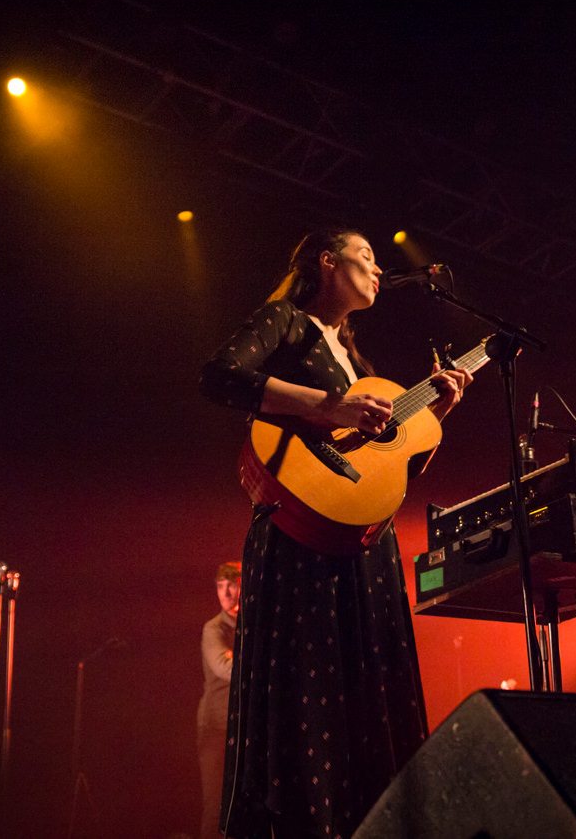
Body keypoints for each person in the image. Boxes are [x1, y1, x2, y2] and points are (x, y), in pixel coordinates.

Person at [198, 228, 473, 838]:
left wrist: (438, 413)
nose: (379, 269)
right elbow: (219, 377)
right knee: (309, 696)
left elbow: (383, 466)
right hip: (299, 539)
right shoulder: (286, 323)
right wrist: (329, 406)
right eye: (367, 256)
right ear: (327, 262)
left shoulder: (359, 362)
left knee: (366, 693)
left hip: (365, 545)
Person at [198, 561, 241, 839]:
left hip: (240, 728)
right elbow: (225, 668)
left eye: (232, 585)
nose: (225, 592)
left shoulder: (252, 623)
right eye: (220, 586)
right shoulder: (213, 629)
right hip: (216, 728)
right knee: (216, 806)